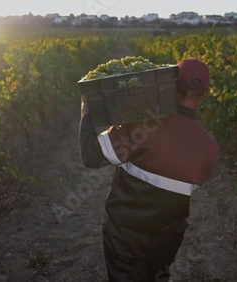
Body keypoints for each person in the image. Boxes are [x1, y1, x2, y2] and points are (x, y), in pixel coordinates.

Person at [79, 57, 220, 282]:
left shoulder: (141, 124)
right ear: (205, 93)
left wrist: (86, 112)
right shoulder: (210, 148)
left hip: (125, 236)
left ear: (170, 83)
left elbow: (90, 156)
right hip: (167, 240)